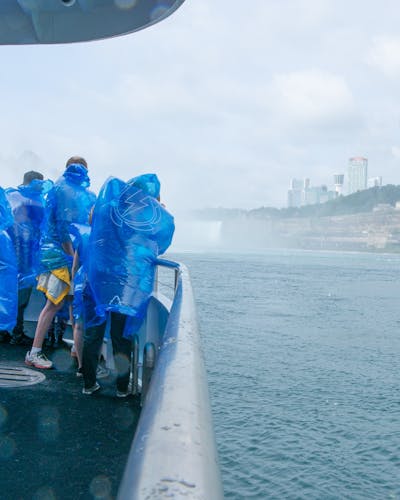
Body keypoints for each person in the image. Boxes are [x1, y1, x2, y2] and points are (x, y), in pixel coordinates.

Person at [81, 173, 175, 396]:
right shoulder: (150, 217)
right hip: (126, 284)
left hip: (96, 277)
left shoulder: (108, 206)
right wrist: (159, 210)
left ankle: (88, 384)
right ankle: (122, 388)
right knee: (121, 334)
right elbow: (160, 243)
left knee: (93, 333)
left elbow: (92, 223)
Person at [25, 156, 94, 369]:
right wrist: (74, 257)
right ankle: (34, 352)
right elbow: (63, 230)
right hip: (61, 256)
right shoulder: (64, 191)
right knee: (55, 303)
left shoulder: (67, 191)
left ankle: (77, 348)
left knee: (74, 303)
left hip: (69, 255)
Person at [5, 171, 51, 345]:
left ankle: (7, 331)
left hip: (7, 256)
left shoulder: (10, 196)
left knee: (7, 295)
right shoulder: (38, 203)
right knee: (22, 298)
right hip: (27, 259)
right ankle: (16, 331)